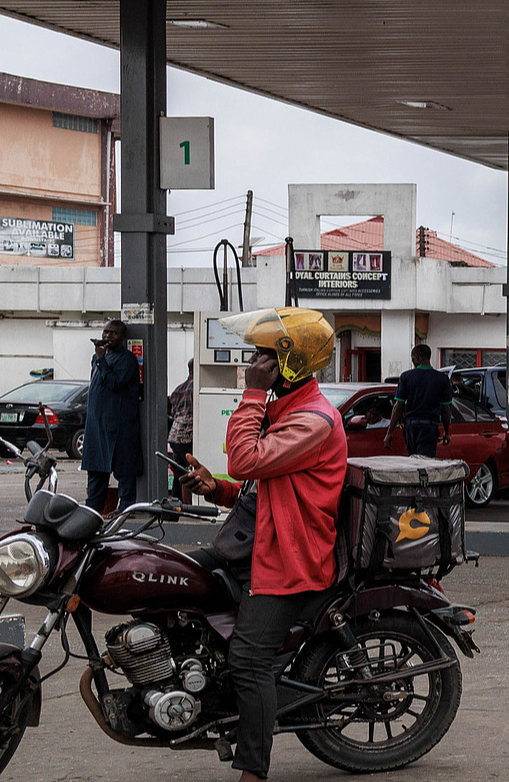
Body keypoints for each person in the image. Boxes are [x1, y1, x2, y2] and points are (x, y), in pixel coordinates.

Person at [181, 307, 345, 782]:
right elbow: (260, 484)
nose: (255, 362)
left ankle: (253, 768)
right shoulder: (285, 410)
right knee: (172, 578)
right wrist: (218, 489)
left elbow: (248, 459)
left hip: (287, 558)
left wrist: (251, 393)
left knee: (250, 660)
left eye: (263, 355)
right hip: (253, 542)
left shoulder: (312, 420)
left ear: (288, 365)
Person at [81, 319, 142, 513]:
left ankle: (125, 510)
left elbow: (115, 383)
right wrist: (99, 359)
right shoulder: (97, 358)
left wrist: (101, 360)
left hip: (119, 427)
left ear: (123, 337)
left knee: (124, 472)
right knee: (96, 473)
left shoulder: (127, 360)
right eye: (105, 332)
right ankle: (92, 513)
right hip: (98, 427)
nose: (107, 336)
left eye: (113, 333)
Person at [389, 343, 451, 458]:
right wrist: (447, 433)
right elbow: (446, 410)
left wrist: (390, 432)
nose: (413, 361)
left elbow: (398, 406)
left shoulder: (406, 377)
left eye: (413, 358)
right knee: (425, 463)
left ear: (418, 357)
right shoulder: (442, 379)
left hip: (411, 428)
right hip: (429, 428)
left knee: (413, 462)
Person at [165, 359, 196, 498]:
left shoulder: (178, 388)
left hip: (174, 436)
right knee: (194, 471)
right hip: (189, 436)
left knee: (179, 471)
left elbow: (171, 412)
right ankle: (190, 502)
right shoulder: (196, 387)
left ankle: (176, 504)